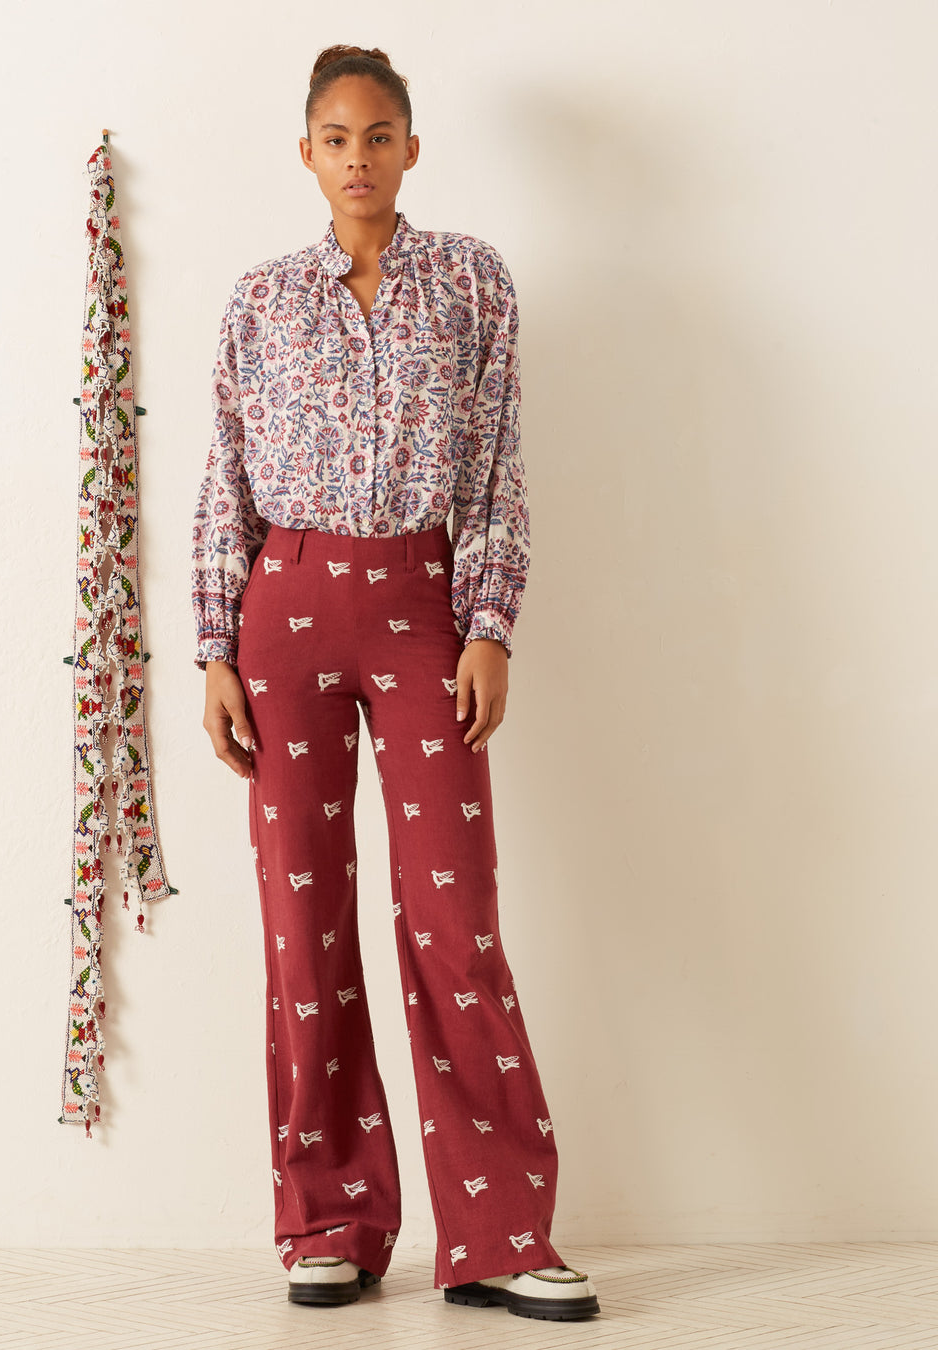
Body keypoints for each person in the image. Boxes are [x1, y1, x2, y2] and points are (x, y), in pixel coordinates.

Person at [190, 43, 600, 1323]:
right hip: (286, 606)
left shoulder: (471, 282)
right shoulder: (260, 301)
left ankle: (502, 1238)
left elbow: (497, 466)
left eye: (378, 135)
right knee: (300, 931)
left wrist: (490, 624)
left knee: (453, 921)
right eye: (333, 138)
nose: (357, 158)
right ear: (305, 155)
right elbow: (225, 479)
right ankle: (331, 1221)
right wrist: (214, 646)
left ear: (411, 148)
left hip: (423, 601)